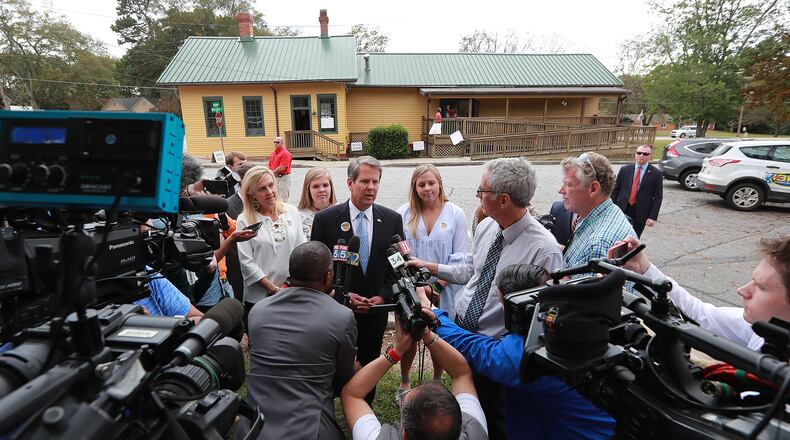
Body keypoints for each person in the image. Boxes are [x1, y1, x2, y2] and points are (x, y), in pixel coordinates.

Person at [406, 157, 562, 439]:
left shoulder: (544, 250)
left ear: (503, 199)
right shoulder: (489, 225)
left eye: (481, 190)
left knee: (492, 418)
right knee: (464, 407)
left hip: (494, 352)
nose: (477, 195)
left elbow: (540, 319)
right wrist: (428, 266)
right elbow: (470, 271)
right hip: (462, 333)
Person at [420, 264, 616, 439]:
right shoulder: (580, 330)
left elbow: (473, 347)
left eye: (503, 305)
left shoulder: (529, 355)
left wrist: (432, 312)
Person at [310, 156, 405, 403]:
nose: (371, 187)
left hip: (375, 312)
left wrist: (383, 296)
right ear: (350, 183)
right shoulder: (326, 219)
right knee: (331, 363)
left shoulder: (392, 219)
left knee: (369, 363)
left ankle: (364, 409)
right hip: (336, 311)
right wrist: (343, 295)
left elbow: (397, 267)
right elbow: (318, 269)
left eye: (375, 181)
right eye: (365, 181)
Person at [239, 242, 357, 440]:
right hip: (311, 429)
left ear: (290, 271)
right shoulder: (341, 317)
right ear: (328, 275)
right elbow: (342, 380)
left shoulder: (259, 310)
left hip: (253, 427)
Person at [620, 235, 790, 350]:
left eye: (761, 287)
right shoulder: (761, 327)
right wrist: (644, 269)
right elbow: (699, 313)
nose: (742, 290)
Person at [341, 316, 488, 440]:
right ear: (460, 427)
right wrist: (428, 335)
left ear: (404, 433)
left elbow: (352, 394)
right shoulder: (475, 432)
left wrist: (396, 351)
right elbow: (461, 373)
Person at [396, 164, 468, 401]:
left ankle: (437, 380)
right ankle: (405, 380)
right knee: (409, 335)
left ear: (440, 183)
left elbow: (459, 258)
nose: (427, 189)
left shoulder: (455, 214)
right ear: (414, 188)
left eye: (431, 183)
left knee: (439, 335)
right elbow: (399, 255)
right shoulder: (404, 214)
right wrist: (417, 286)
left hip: (444, 289)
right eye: (421, 184)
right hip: (412, 288)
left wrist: (437, 286)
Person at [236, 166, 306, 327]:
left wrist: (288, 285)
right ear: (251, 194)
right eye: (262, 189)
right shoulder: (245, 220)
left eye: (271, 185)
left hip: (291, 291)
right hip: (260, 297)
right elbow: (247, 263)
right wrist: (274, 289)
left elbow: (301, 250)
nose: (269, 191)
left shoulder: (292, 212)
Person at [560, 152, 636, 269]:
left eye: (568, 185)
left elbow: (578, 287)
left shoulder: (598, 245)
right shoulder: (605, 212)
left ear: (593, 189)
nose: (561, 190)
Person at [610, 144, 663, 237]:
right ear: (635, 154)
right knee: (617, 235)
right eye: (639, 153)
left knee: (634, 237)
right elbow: (615, 190)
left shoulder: (656, 174)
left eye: (645, 154)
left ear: (651, 156)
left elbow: (658, 197)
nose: (641, 156)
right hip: (622, 208)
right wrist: (610, 207)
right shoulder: (625, 169)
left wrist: (652, 217)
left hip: (641, 212)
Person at [297, 167, 337, 238]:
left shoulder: (342, 211)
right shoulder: (298, 217)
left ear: (331, 187)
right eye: (316, 186)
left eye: (325, 185)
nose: (321, 190)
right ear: (308, 190)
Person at [268, 136, 293, 202]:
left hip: (283, 177)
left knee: (283, 197)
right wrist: (268, 172)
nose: (275, 143)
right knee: (276, 196)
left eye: (278, 142)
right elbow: (269, 165)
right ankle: (278, 210)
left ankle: (285, 211)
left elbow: (283, 167)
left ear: (282, 143)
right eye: (274, 142)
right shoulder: (273, 153)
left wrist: (271, 172)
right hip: (275, 177)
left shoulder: (286, 153)